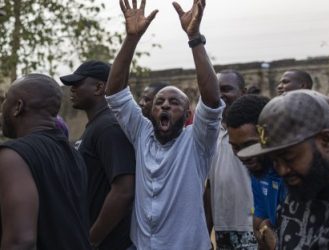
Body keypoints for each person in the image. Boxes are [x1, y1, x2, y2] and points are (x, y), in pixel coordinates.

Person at [105, 0, 225, 249]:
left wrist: (194, 38)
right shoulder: (142, 133)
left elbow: (212, 100)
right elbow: (115, 92)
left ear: (188, 112)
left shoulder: (196, 142)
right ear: (150, 110)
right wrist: (131, 39)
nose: (166, 106)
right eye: (160, 102)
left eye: (175, 102)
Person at [238, 89, 329, 249]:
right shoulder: (297, 195)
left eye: (289, 157)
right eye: (274, 160)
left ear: (325, 140)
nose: (281, 170)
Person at [0, 74, 91, 249]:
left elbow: (21, 242)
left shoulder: (13, 156)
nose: (2, 108)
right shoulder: (72, 153)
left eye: (5, 101)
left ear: (18, 107)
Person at [60, 60, 136, 250]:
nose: (72, 89)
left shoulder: (108, 127)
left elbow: (124, 190)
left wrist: (91, 240)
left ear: (99, 87)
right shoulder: (97, 126)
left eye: (77, 84)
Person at [204, 70, 256, 249]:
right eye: (217, 90)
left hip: (252, 229)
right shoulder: (210, 134)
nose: (221, 95)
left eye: (226, 89)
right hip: (222, 230)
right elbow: (210, 186)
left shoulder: (257, 131)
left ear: (243, 92)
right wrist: (206, 233)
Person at [226, 95, 286, 250]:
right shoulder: (259, 171)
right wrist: (266, 229)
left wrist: (269, 233)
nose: (242, 155)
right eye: (235, 147)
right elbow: (259, 222)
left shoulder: (296, 174)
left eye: (250, 145)